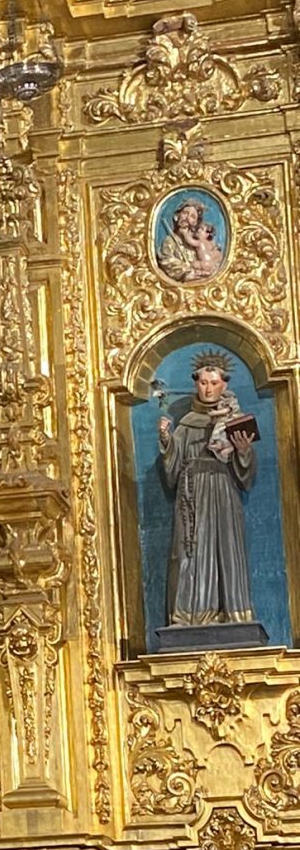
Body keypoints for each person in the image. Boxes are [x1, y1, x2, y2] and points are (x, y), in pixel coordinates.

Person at [158, 351, 258, 628]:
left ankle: (232, 613)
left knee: (225, 548)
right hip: (191, 494)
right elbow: (173, 463)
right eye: (203, 383)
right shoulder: (187, 422)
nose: (208, 388)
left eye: (214, 383)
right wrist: (167, 439)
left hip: (223, 490)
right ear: (196, 385)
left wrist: (243, 451)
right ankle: (188, 616)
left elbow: (246, 473)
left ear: (223, 385)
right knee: (188, 552)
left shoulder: (234, 419)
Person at [156, 197, 223, 282]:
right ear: (177, 216)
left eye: (192, 216)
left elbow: (215, 256)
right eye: (185, 213)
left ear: (195, 223)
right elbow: (166, 261)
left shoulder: (198, 241)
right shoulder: (170, 241)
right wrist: (188, 272)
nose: (187, 218)